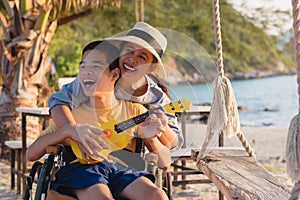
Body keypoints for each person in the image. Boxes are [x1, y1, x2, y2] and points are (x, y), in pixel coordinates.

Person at [27, 40, 169, 200]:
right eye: (83, 67)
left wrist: (151, 138)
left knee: (158, 195)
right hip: (83, 170)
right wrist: (68, 130)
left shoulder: (134, 111)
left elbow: (165, 163)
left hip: (120, 170)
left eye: (95, 67)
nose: (87, 72)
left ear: (114, 74)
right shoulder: (71, 115)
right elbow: (31, 154)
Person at [48, 22, 183, 161]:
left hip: (128, 162)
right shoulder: (98, 80)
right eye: (129, 50)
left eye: (142, 57)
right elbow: (57, 102)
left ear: (151, 68)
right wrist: (74, 132)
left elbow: (174, 144)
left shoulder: (157, 99)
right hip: (85, 157)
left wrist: (161, 126)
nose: (132, 59)